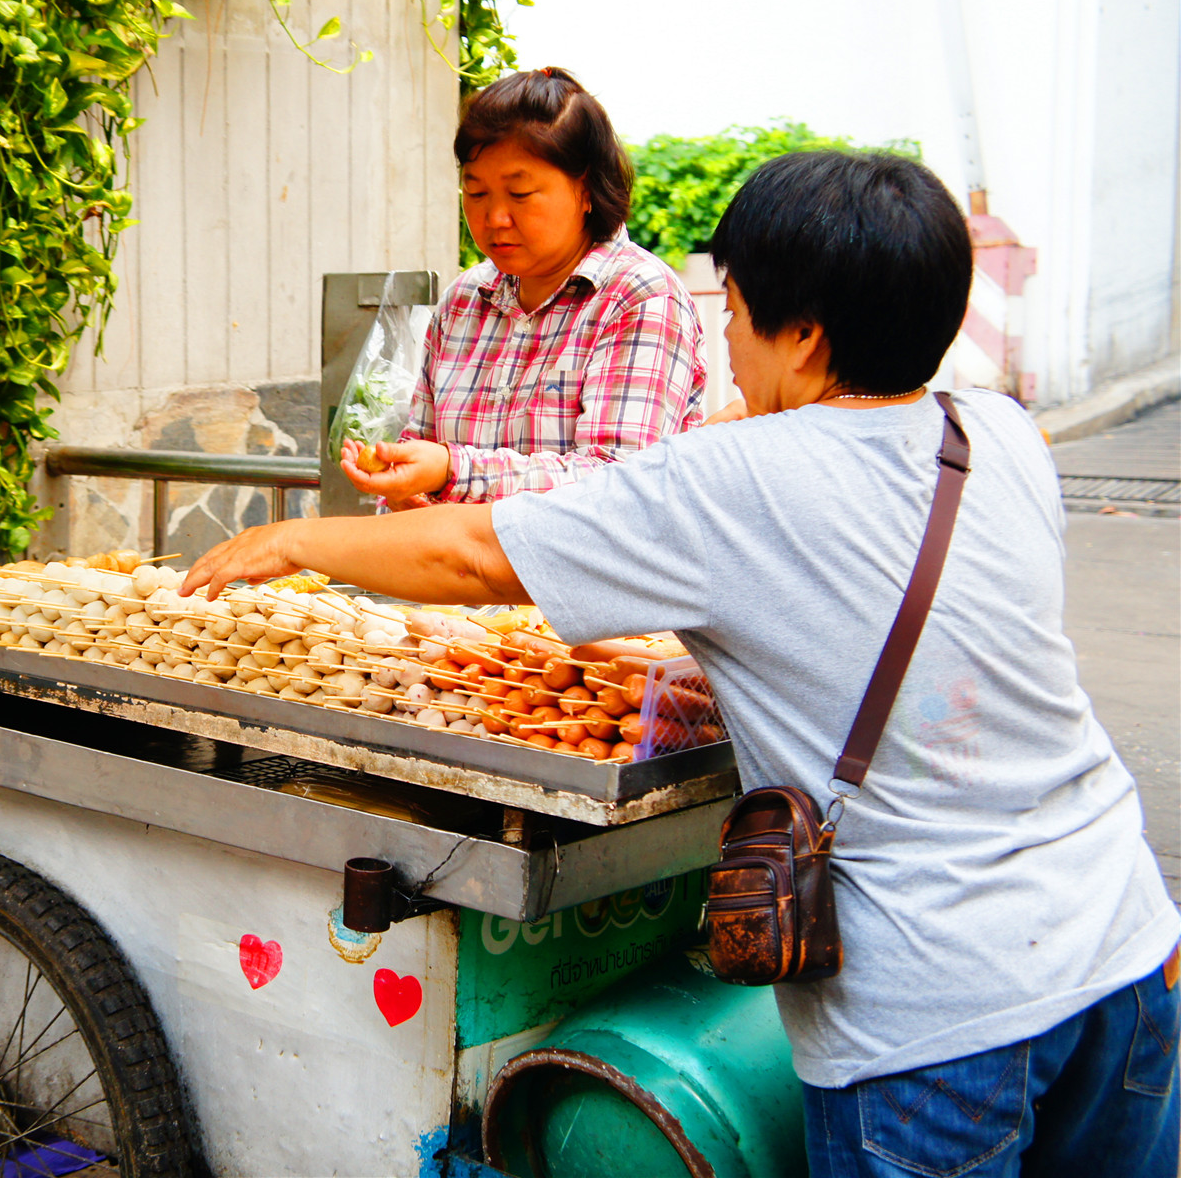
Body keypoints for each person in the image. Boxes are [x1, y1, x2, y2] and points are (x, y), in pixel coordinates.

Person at [190, 150, 1180, 1176]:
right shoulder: (999, 432)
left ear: (803, 335)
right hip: (1121, 942)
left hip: (932, 1017)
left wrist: (299, 541)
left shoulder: (729, 483)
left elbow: (475, 551)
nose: (723, 338)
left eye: (736, 312)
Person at [341, 68, 706, 509]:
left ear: (586, 189)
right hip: (453, 576)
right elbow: (422, 448)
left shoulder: (640, 298)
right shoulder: (463, 301)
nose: (495, 218)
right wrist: (403, 490)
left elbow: (619, 483)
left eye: (520, 193)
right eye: (476, 194)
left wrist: (451, 471)